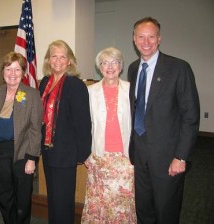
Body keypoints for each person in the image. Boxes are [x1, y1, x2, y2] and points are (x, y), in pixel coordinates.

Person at [128, 17, 200, 224]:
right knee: (144, 209)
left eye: (151, 36)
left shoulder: (179, 68)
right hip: (139, 153)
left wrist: (181, 156)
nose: (146, 41)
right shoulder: (133, 69)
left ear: (159, 39)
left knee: (166, 210)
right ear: (134, 39)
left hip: (168, 156)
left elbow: (190, 116)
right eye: (141, 36)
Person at [39, 40, 92, 224]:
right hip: (48, 151)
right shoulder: (45, 82)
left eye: (63, 56)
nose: (58, 60)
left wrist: (83, 153)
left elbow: (83, 123)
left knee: (63, 202)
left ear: (69, 61)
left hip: (66, 153)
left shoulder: (75, 85)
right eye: (54, 56)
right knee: (53, 199)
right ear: (48, 60)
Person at [81, 47, 136, 223]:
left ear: (121, 66)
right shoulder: (90, 91)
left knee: (122, 202)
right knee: (100, 202)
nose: (110, 67)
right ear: (99, 67)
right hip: (99, 157)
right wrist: (86, 153)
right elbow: (85, 125)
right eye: (105, 62)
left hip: (125, 157)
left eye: (115, 62)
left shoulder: (131, 89)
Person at [0, 52, 42, 224]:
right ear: (2, 71)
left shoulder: (31, 94)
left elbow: (35, 129)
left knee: (23, 195)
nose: (12, 73)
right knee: (4, 193)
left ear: (24, 72)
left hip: (22, 151)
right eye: (8, 69)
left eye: (17, 69)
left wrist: (32, 159)